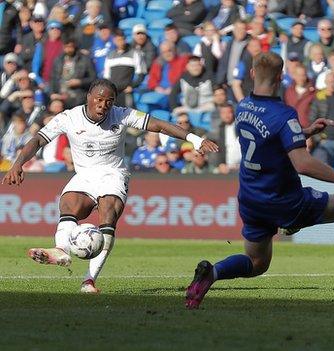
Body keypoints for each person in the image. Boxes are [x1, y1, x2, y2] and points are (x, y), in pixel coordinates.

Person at [184, 52, 334, 309]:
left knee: (257, 263)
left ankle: (212, 273)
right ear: (281, 77)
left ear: (251, 74)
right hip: (283, 200)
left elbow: (266, 139)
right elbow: (302, 163)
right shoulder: (283, 114)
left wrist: (302, 132)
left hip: (250, 199)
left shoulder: (244, 106)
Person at [2, 79, 218, 293]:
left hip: (113, 174)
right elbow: (38, 140)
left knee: (108, 217)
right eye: (99, 99)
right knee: (68, 204)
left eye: (109, 101)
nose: (103, 105)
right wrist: (18, 164)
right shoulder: (69, 117)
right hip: (85, 174)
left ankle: (89, 281)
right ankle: (61, 250)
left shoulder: (122, 114)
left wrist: (195, 139)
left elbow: (159, 125)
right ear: (89, 97)